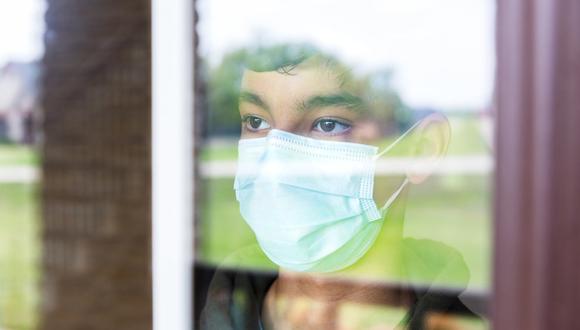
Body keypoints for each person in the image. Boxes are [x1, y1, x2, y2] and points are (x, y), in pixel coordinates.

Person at [200, 45, 477, 330]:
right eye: (256, 122)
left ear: (421, 150)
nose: (275, 164)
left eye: (328, 124)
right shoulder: (174, 310)